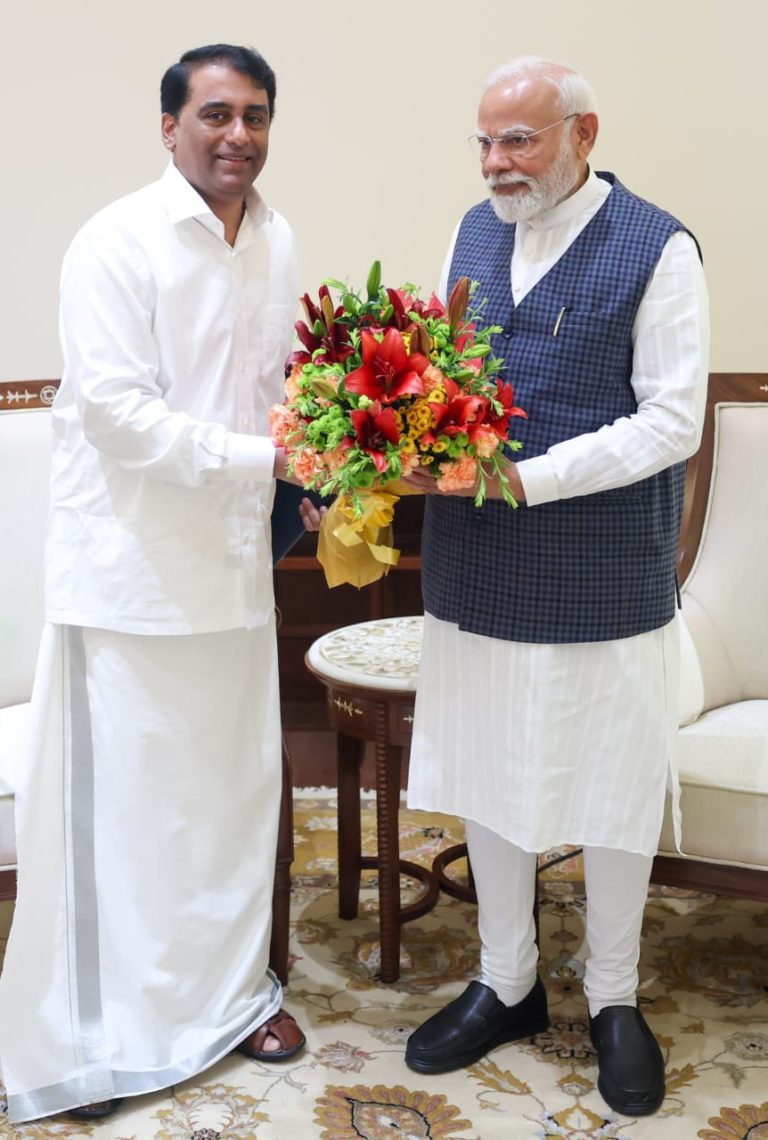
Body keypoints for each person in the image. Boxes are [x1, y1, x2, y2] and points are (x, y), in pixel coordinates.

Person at [0, 44, 317, 1123]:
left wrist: (319, 468)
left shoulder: (276, 238)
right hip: (130, 577)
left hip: (235, 569)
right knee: (126, 821)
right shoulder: (115, 240)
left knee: (228, 802)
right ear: (170, 125)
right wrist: (271, 460)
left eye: (256, 115)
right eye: (216, 114)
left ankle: (231, 1002)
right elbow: (118, 417)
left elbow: (277, 391)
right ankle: (96, 1044)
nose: (239, 135)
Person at [404, 56, 709, 1118]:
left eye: (520, 140)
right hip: (476, 561)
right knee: (490, 771)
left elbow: (672, 420)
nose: (498, 163)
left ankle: (615, 995)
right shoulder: (470, 232)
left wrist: (526, 478)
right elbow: (444, 375)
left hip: (603, 572)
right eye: (486, 142)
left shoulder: (658, 246)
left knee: (611, 783)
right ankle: (508, 981)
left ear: (583, 134)